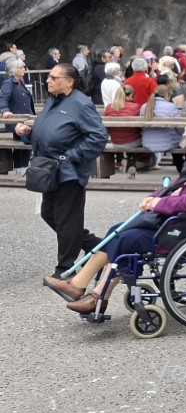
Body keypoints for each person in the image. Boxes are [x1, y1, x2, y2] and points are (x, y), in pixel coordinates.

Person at [42, 127, 186, 313]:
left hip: (184, 229)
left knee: (125, 240)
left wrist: (161, 203)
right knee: (116, 231)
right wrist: (153, 197)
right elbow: (174, 186)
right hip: (171, 221)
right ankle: (78, 284)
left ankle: (98, 295)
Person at [16, 64, 107, 277]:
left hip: (69, 172)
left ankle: (65, 269)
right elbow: (48, 130)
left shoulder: (81, 104)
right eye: (48, 76)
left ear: (69, 81)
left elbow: (98, 137)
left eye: (54, 77)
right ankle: (99, 247)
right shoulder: (52, 100)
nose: (48, 80)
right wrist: (29, 132)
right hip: (49, 170)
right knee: (49, 214)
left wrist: (72, 157)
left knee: (67, 221)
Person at [0, 58, 35, 173]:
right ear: (14, 70)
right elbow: (3, 98)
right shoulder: (8, 82)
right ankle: (21, 168)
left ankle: (22, 166)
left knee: (24, 144)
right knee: (23, 144)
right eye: (21, 67)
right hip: (17, 120)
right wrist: (4, 110)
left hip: (24, 118)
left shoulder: (20, 81)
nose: (24, 69)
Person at [140, 84, 183, 171]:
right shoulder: (171, 107)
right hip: (168, 143)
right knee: (183, 143)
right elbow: (179, 128)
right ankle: (183, 170)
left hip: (147, 142)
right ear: (167, 95)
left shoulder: (145, 107)